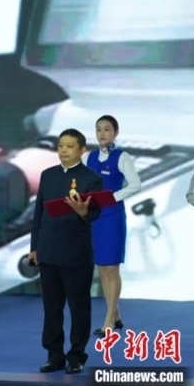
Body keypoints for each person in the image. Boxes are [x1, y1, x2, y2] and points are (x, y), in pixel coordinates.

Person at [28, 128, 103, 375]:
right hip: (48, 251)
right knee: (52, 308)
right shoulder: (48, 175)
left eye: (69, 146)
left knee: (79, 308)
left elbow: (94, 214)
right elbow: (38, 213)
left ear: (82, 150)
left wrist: (83, 212)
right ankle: (54, 355)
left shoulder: (91, 179)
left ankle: (76, 356)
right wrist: (34, 247)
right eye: (61, 145)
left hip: (76, 254)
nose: (63, 150)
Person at [83, 115, 141, 337]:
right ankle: (116, 316)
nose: (102, 133)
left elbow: (135, 184)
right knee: (101, 268)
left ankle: (108, 320)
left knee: (111, 268)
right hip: (94, 216)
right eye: (98, 129)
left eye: (107, 129)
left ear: (115, 132)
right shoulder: (89, 157)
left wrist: (112, 197)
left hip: (113, 216)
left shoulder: (121, 156)